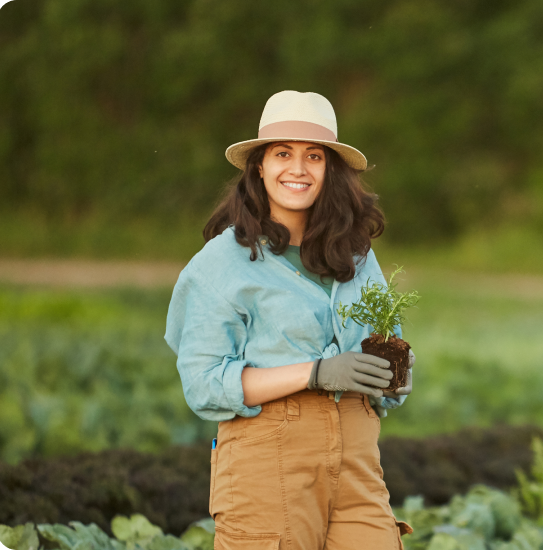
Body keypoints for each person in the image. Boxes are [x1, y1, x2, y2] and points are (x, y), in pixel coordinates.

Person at [165, 90, 415, 549]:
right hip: (268, 465)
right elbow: (203, 383)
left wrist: (394, 375)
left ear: (330, 169)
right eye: (283, 153)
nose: (297, 169)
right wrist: (315, 373)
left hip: (358, 464)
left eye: (313, 156)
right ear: (259, 165)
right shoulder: (222, 263)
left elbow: (388, 339)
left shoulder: (357, 254)